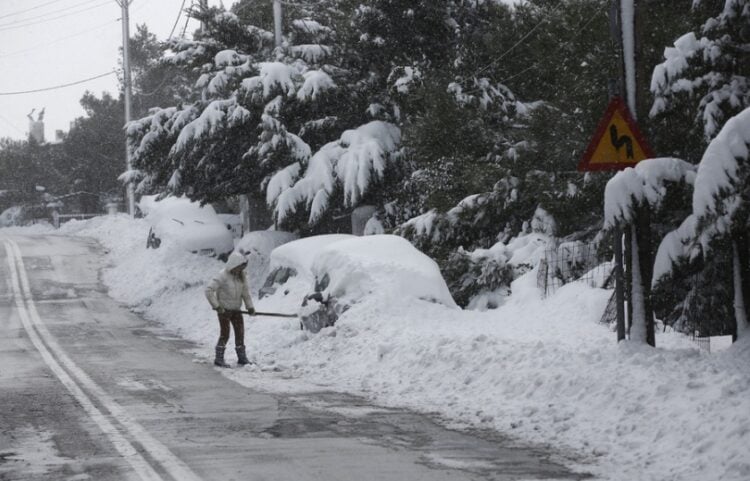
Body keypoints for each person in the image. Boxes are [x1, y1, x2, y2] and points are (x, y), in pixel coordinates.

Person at [204, 252, 255, 367]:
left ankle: (242, 358)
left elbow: (245, 294)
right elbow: (208, 291)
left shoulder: (242, 276)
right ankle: (219, 358)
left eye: (242, 268)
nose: (240, 270)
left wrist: (250, 307)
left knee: (240, 333)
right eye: (239, 267)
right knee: (225, 334)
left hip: (236, 310)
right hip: (224, 311)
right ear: (233, 264)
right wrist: (217, 306)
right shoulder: (222, 276)